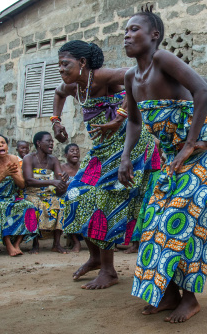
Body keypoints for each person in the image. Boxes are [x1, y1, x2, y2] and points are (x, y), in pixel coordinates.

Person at [118, 6, 207, 323]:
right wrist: (126, 155)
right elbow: (133, 121)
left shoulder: (162, 59)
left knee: (184, 220)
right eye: (125, 31)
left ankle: (190, 298)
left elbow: (203, 89)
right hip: (177, 156)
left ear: (154, 35)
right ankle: (169, 293)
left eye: (134, 29)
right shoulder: (131, 77)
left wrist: (189, 143)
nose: (127, 35)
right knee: (155, 219)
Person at [53, 40, 158, 289]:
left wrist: (120, 116)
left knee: (105, 200)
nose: (61, 69)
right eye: (58, 65)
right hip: (102, 149)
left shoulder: (102, 77)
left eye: (65, 64)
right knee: (75, 195)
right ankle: (96, 258)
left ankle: (109, 271)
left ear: (82, 63)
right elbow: (58, 93)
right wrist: (56, 122)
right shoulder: (71, 86)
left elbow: (136, 77)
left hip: (129, 144)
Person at [0, 134, 38, 256]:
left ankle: (17, 244)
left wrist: (13, 174)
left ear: (7, 146)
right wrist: (3, 174)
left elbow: (22, 185)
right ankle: (8, 244)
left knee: (28, 206)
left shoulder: (13, 159)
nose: (1, 145)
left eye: (3, 142)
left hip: (11, 196)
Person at [23, 131, 68, 254]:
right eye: (48, 141)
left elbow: (59, 182)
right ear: (38, 143)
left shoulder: (53, 159)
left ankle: (57, 244)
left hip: (49, 194)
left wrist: (64, 179)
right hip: (32, 193)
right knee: (34, 205)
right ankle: (35, 243)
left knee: (60, 203)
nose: (51, 143)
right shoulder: (29, 158)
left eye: (52, 141)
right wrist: (52, 182)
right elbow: (28, 180)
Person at [60, 143, 82, 252]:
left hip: (81, 195)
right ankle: (75, 241)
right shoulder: (61, 168)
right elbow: (60, 187)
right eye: (72, 151)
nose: (75, 153)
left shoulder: (83, 167)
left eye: (77, 150)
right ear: (65, 155)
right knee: (71, 204)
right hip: (66, 195)